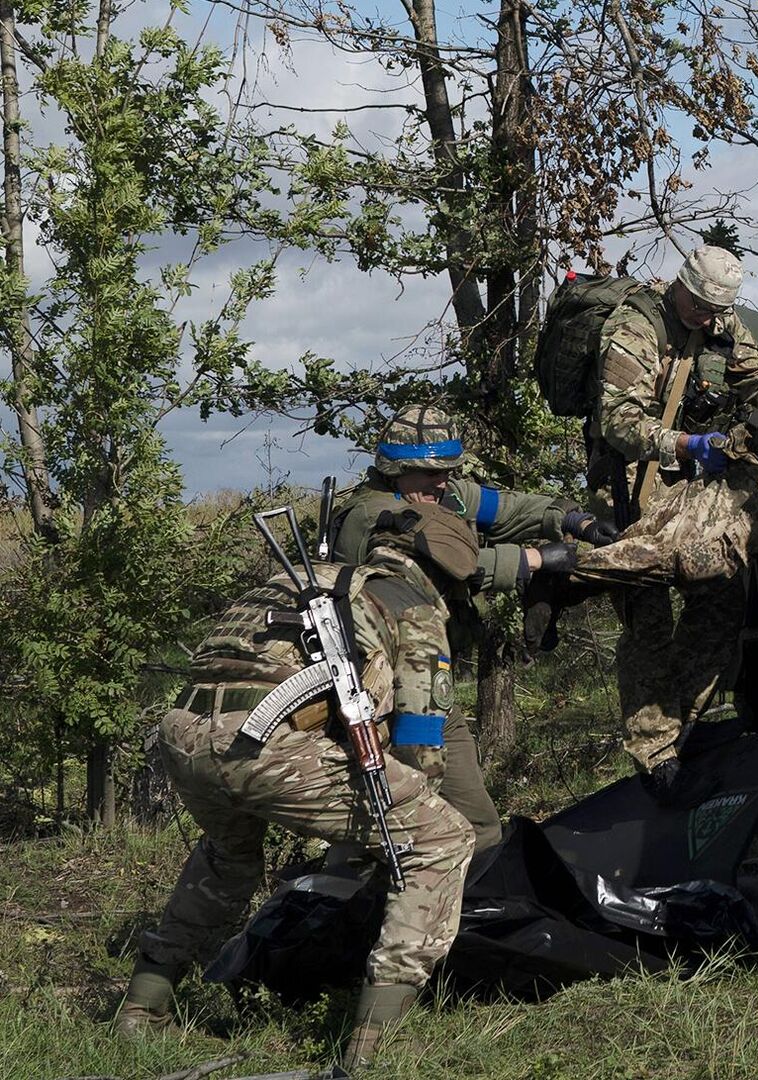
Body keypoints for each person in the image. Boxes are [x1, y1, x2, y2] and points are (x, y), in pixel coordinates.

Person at [114, 503, 480, 1074]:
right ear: (447, 570)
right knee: (442, 838)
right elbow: (421, 739)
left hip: (184, 733)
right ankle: (375, 1043)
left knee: (229, 859)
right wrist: (407, 814)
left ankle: (143, 1005)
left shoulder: (304, 578)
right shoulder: (412, 604)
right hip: (267, 744)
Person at [574, 245, 758, 804]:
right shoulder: (635, 329)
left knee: (721, 598)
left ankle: (679, 720)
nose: (707, 317)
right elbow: (617, 421)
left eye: (716, 309)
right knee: (648, 618)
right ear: (681, 286)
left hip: (687, 485)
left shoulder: (722, 325)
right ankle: (654, 754)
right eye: (700, 305)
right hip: (629, 485)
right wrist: (684, 444)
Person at [330, 404, 615, 851]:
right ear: (396, 470)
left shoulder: (444, 495)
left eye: (447, 470)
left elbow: (510, 509)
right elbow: (445, 565)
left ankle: (470, 916)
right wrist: (532, 560)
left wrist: (572, 519)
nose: (440, 481)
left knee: (479, 828)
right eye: (429, 473)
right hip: (380, 694)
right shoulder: (372, 515)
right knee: (383, 832)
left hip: (433, 684)